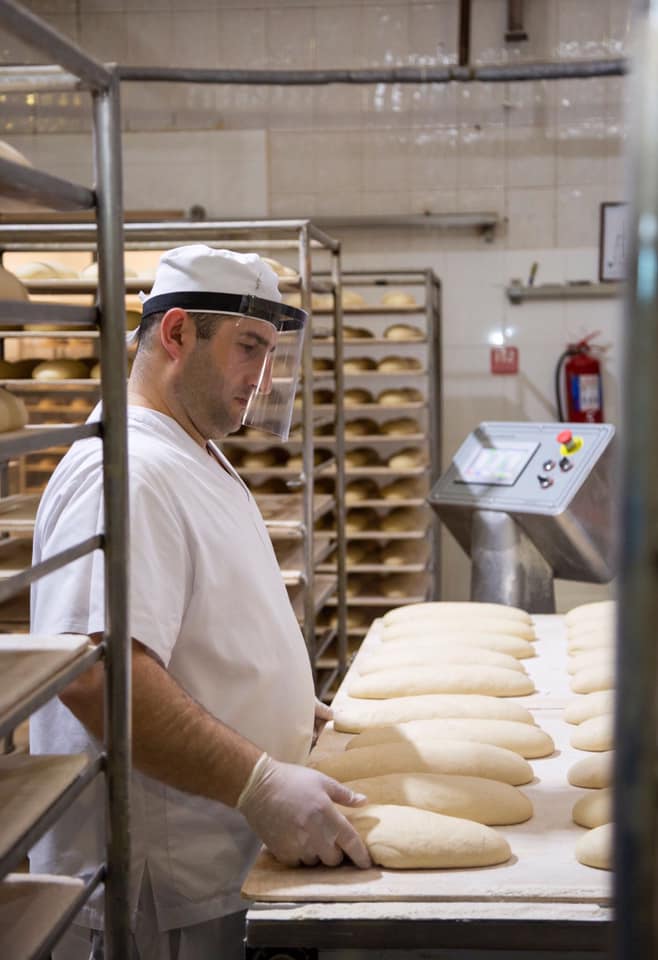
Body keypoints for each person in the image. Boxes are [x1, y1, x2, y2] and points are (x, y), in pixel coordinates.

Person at [29, 245, 371, 960]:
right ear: (178, 332)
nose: (264, 378)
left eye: (272, 353)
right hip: (158, 888)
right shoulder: (128, 472)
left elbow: (189, 626)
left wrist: (266, 695)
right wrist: (259, 783)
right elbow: (96, 676)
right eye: (248, 347)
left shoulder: (190, 451)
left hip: (214, 866)